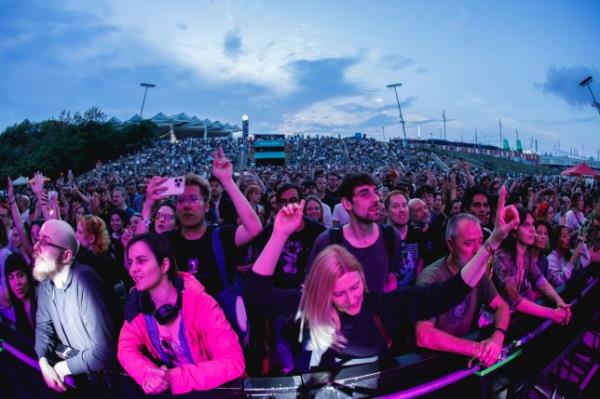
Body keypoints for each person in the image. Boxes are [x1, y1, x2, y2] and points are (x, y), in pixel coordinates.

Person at [245, 189, 516, 372]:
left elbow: (449, 292)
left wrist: (492, 242)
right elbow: (258, 296)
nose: (351, 299)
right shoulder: (308, 306)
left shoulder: (382, 307)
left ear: (363, 280)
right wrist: (279, 235)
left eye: (354, 288)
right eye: (339, 294)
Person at [117, 233, 244, 395]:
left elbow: (233, 362)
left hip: (211, 391)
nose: (133, 269)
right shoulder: (137, 306)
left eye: (141, 260)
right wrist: (147, 373)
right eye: (130, 262)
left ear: (164, 265)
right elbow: (125, 348)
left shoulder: (200, 303)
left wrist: (173, 378)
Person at [140, 147, 262, 296]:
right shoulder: (168, 241)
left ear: (206, 206)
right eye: (181, 200)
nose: (186, 205)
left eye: (192, 199)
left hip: (220, 315)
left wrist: (227, 181)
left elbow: (254, 228)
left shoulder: (221, 236)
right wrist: (147, 206)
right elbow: (139, 251)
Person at [415, 213, 510, 367]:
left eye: (480, 242)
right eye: (468, 243)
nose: (477, 250)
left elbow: (501, 306)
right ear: (450, 244)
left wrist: (497, 337)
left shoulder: (478, 272)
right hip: (434, 364)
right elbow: (424, 334)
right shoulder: (430, 278)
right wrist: (477, 349)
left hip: (464, 359)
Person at [34, 220, 115, 393]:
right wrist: (43, 361)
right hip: (80, 381)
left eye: (45, 242)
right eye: (38, 239)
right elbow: (43, 327)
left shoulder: (86, 280)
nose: (36, 247)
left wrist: (61, 369)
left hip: (105, 385)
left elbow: (104, 352)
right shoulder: (46, 283)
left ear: (66, 256)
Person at [308, 173, 401, 293]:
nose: (376, 199)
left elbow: (391, 281)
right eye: (365, 194)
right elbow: (313, 290)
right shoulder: (326, 242)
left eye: (375, 192)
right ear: (347, 203)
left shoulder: (391, 236)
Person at [493, 208, 572, 326]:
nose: (532, 230)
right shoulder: (502, 257)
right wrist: (551, 313)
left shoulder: (526, 256)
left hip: (512, 318)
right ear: (514, 232)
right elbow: (515, 299)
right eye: (526, 225)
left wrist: (560, 301)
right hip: (493, 322)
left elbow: (540, 281)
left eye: (532, 224)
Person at [384, 191, 424, 287]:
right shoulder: (381, 238)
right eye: (395, 206)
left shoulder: (418, 234)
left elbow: (420, 264)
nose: (401, 209)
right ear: (386, 212)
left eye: (404, 205)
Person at [4, 252, 37, 337]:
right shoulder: (19, 306)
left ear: (28, 275)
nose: (17, 283)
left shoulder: (40, 300)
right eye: (11, 278)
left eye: (20, 275)